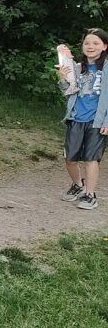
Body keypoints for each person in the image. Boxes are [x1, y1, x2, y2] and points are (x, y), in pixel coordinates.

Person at [59, 28, 108, 210]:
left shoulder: (107, 68)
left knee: (91, 159)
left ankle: (90, 194)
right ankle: (78, 185)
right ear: (82, 46)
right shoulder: (77, 68)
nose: (91, 46)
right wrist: (63, 78)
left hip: (97, 121)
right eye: (87, 43)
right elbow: (68, 91)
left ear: (104, 46)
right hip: (76, 119)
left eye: (96, 43)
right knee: (70, 158)